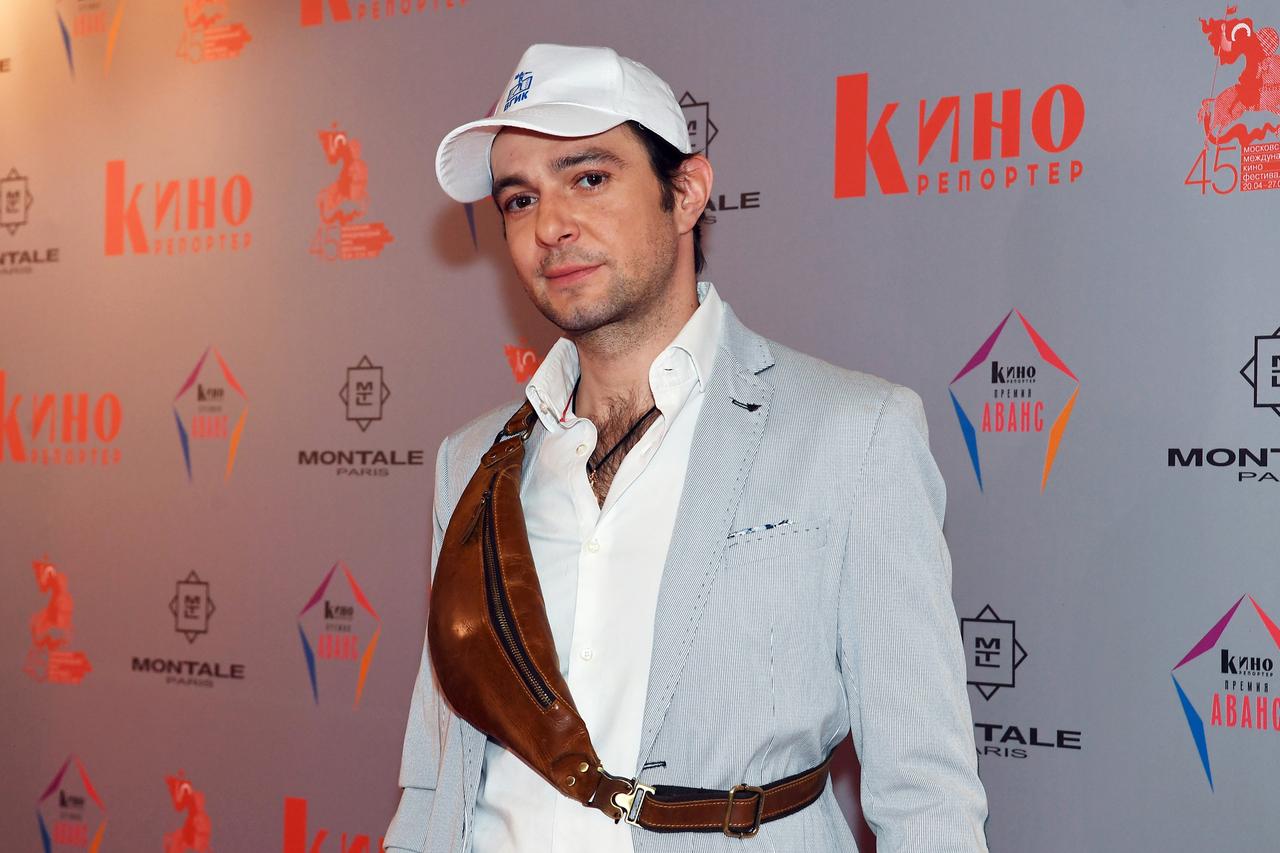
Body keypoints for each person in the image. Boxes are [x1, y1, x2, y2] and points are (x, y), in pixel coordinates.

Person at [387, 43, 989, 853]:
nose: (550, 226)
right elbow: (436, 772)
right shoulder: (470, 462)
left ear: (687, 192)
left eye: (588, 178)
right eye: (520, 199)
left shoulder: (854, 432)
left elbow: (927, 796)